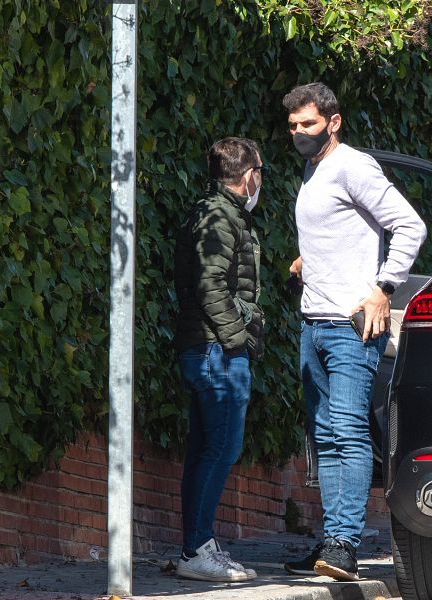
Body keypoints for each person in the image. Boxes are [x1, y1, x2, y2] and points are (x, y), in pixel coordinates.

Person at [281, 82, 427, 581]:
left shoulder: (353, 165)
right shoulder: (314, 169)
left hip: (351, 325)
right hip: (313, 323)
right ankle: (330, 543)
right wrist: (310, 260)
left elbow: (410, 226)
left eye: (309, 125)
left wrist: (384, 288)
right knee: (325, 436)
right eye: (294, 126)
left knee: (346, 430)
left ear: (333, 122)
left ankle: (345, 543)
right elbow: (343, 233)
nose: (300, 134)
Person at [173, 137, 265, 582]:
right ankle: (197, 550)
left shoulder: (216, 213)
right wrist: (236, 339)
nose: (259, 181)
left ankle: (198, 545)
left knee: (204, 450)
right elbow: (211, 285)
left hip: (206, 347)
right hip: (216, 352)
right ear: (248, 174)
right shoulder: (219, 217)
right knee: (221, 448)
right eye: (259, 172)